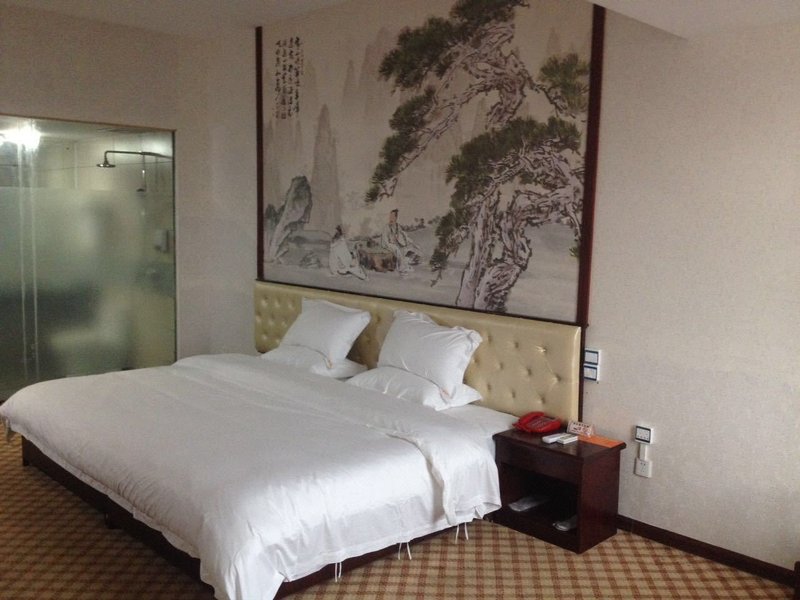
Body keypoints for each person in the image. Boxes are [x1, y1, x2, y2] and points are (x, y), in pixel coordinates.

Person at [380, 209, 416, 275]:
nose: (390, 218)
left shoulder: (398, 226)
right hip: (387, 244)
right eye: (390, 216)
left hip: (396, 243)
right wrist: (390, 244)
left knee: (408, 249)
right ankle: (401, 269)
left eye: (392, 216)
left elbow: (403, 235)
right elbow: (385, 240)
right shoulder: (386, 227)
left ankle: (406, 264)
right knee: (397, 250)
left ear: (396, 218)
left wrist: (410, 242)